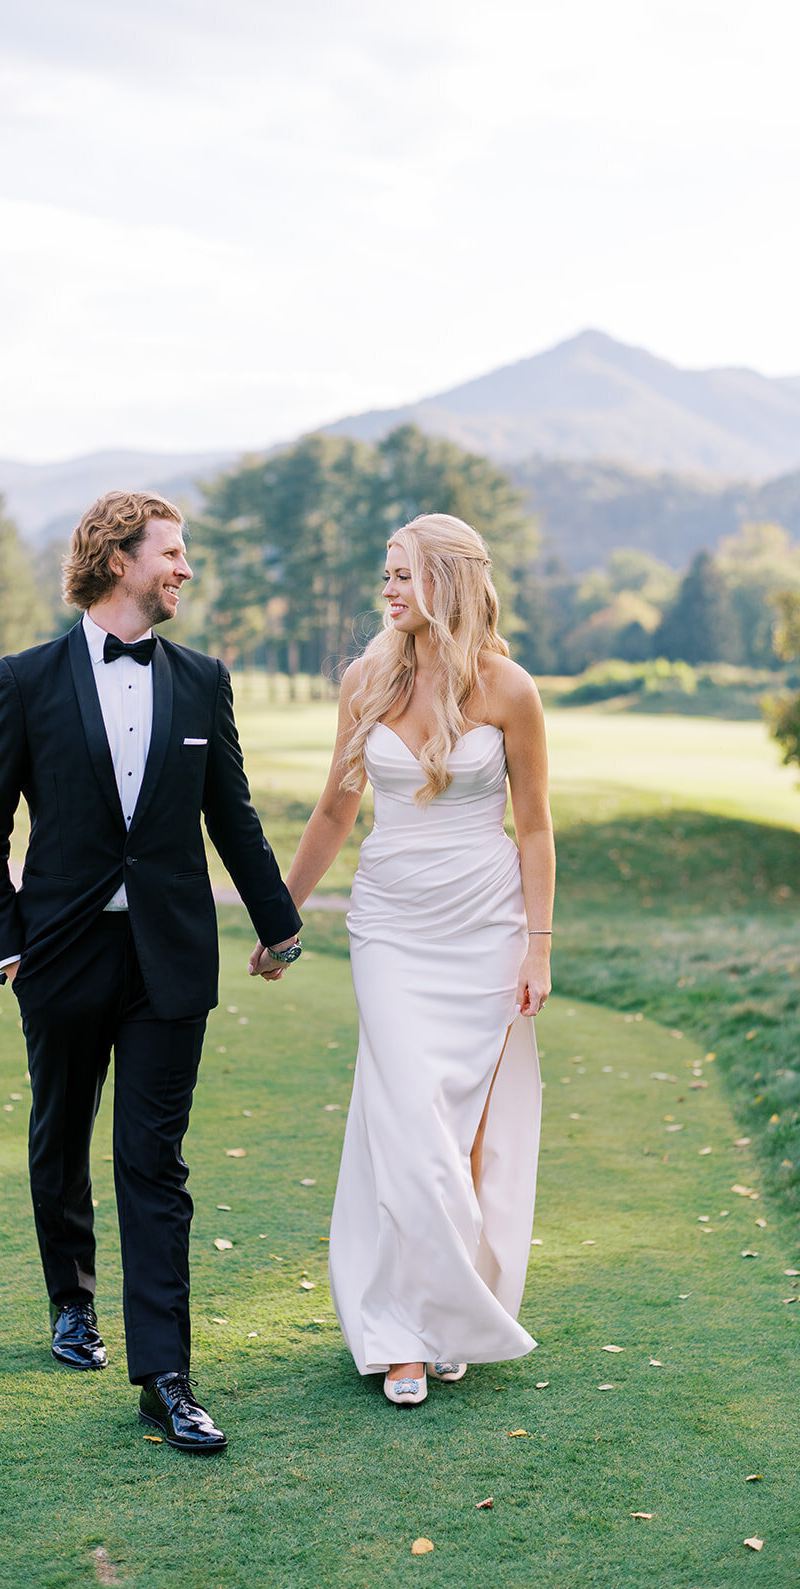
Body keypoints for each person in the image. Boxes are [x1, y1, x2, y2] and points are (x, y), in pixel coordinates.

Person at [0, 490, 303, 1454]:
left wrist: (279, 924)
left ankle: (166, 1375)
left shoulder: (202, 680)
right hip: (59, 955)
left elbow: (230, 816)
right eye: (174, 553)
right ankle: (72, 1303)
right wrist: (7, 944)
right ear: (120, 560)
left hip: (169, 959)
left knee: (154, 1161)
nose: (186, 569)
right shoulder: (23, 680)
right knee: (61, 1134)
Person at [250, 512, 555, 1404]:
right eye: (385, 574)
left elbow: (534, 827)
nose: (386, 590)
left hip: (486, 924)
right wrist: (281, 918)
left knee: (455, 1130)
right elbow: (333, 814)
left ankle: (439, 1314)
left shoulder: (509, 690)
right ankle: (407, 1336)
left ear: (449, 582)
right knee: (407, 1120)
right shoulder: (365, 681)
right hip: (388, 924)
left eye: (402, 574)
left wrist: (538, 946)